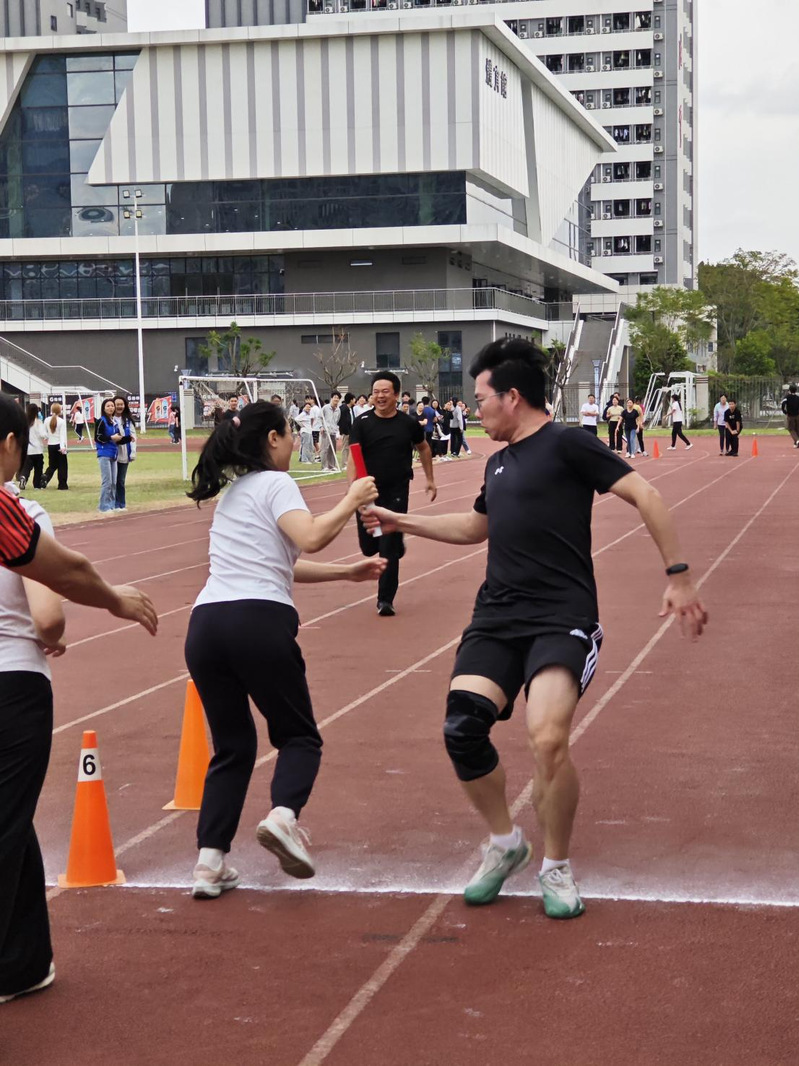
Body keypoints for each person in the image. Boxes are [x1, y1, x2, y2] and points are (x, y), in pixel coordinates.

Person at [362, 339, 707, 919]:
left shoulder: (569, 443)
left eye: (480, 399)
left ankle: (557, 864)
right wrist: (403, 521)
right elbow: (476, 528)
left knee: (547, 739)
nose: (475, 410)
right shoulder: (497, 462)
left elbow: (645, 493)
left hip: (562, 618)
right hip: (497, 617)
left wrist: (679, 576)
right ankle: (505, 844)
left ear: (512, 397)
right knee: (461, 729)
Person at [184, 401, 383, 898]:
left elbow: (280, 563)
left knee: (232, 747)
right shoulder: (276, 483)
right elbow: (310, 537)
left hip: (206, 626)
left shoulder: (234, 495)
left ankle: (209, 862)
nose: (294, 441)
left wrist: (346, 572)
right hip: (258, 623)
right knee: (299, 737)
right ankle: (283, 817)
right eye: (290, 432)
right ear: (272, 438)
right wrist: (351, 497)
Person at [0, 395, 156, 1005]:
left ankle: (24, 963)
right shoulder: (17, 510)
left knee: (12, 821)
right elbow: (53, 596)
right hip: (13, 684)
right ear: (12, 445)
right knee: (6, 823)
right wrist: (114, 600)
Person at [348, 372, 437, 617]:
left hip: (397, 491)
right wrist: (352, 488)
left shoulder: (407, 423)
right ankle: (396, 543)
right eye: (376, 392)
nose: (380, 396)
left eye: (385, 392)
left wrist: (430, 479)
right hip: (368, 492)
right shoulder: (362, 422)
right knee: (369, 548)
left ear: (396, 395)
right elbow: (353, 456)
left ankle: (385, 600)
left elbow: (424, 448)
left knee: (387, 547)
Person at [113, 395, 137, 511]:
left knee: (121, 480)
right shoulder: (109, 420)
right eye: (117, 404)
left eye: (121, 404)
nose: (119, 406)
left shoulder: (128, 421)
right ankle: (113, 504)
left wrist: (133, 452)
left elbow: (133, 437)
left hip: (124, 453)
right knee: (112, 480)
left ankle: (121, 504)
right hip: (112, 454)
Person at [18, 405, 46, 491]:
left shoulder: (24, 423)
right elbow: (43, 434)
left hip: (28, 450)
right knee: (38, 468)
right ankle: (37, 485)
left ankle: (23, 477)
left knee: (26, 467)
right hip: (37, 450)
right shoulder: (38, 422)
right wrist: (46, 436)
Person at [42, 403, 68, 490]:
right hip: (59, 445)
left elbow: (44, 433)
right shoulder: (62, 421)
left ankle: (46, 476)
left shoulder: (46, 420)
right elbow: (62, 436)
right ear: (59, 411)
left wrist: (47, 437)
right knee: (62, 466)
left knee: (52, 465)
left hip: (50, 445)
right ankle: (62, 484)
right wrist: (62, 447)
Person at [320, 393, 341, 472]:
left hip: (333, 431)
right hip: (326, 431)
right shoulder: (325, 408)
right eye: (335, 397)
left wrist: (336, 430)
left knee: (332, 449)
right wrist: (321, 427)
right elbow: (320, 417)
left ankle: (331, 465)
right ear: (331, 398)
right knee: (325, 449)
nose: (336, 399)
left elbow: (337, 420)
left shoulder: (338, 410)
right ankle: (324, 466)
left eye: (338, 398)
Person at [338, 393, 355, 467]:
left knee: (348, 448)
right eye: (354, 399)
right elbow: (343, 422)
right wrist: (346, 432)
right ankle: (344, 464)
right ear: (351, 400)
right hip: (346, 432)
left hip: (350, 431)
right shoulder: (344, 409)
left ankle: (347, 462)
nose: (355, 400)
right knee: (345, 448)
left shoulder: (350, 409)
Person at [781, 384, 799, 449]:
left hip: (791, 416)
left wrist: (785, 412)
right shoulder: (798, 397)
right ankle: (796, 443)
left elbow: (783, 405)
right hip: (798, 415)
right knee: (797, 429)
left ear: (789, 390)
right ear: (796, 390)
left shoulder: (787, 397)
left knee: (791, 429)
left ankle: (797, 440)